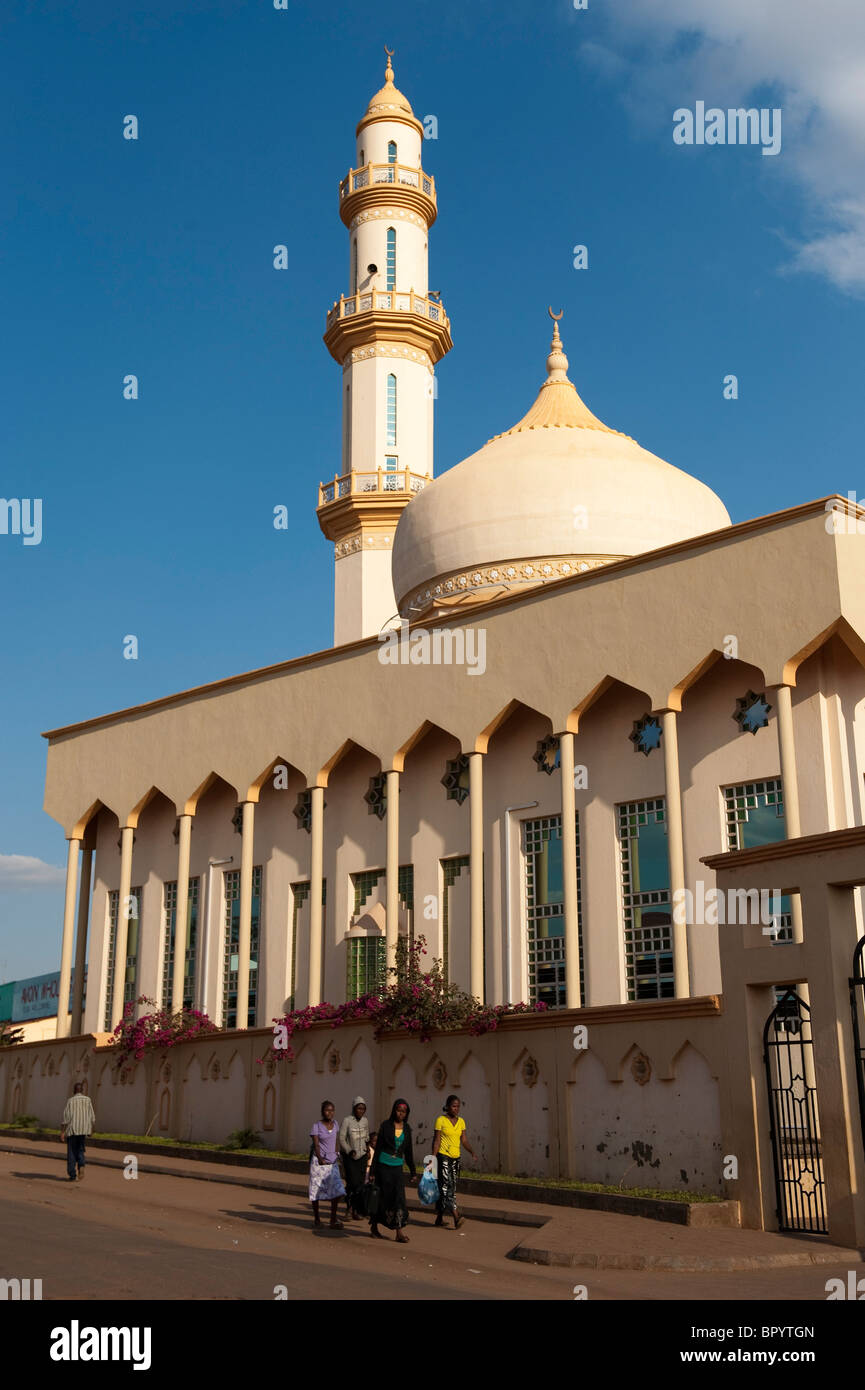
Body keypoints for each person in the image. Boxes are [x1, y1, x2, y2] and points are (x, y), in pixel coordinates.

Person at [369, 1098, 416, 1243]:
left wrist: (413, 1171)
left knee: (399, 1200)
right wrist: (372, 1171)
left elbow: (408, 1152)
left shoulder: (407, 1129)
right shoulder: (386, 1126)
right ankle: (374, 1227)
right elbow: (378, 1151)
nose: (400, 1114)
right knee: (382, 1198)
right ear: (394, 1111)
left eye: (403, 1111)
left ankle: (399, 1232)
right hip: (383, 1167)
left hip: (397, 1169)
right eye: (398, 1110)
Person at [432, 1094, 476, 1229]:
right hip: (443, 1156)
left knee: (449, 1187)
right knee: (447, 1187)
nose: (456, 1109)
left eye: (458, 1106)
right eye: (453, 1106)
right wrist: (433, 1158)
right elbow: (437, 1140)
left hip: (456, 1158)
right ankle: (456, 1216)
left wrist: (472, 1152)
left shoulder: (461, 1121)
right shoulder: (440, 1120)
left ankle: (439, 1217)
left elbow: (464, 1140)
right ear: (447, 1107)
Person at [309, 1100, 346, 1229]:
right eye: (327, 1110)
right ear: (322, 1112)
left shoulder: (335, 1124)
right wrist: (320, 1158)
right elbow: (316, 1144)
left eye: (332, 1110)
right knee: (316, 1191)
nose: (329, 1113)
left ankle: (332, 1219)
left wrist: (337, 1153)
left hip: (332, 1162)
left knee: (338, 1191)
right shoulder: (316, 1126)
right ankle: (317, 1219)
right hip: (319, 1163)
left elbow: (336, 1140)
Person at [339, 1096, 370, 1219]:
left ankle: (356, 1210)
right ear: (354, 1108)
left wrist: (367, 1149)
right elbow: (341, 1138)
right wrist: (348, 1150)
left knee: (360, 1185)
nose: (361, 1111)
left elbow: (367, 1136)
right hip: (351, 1158)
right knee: (352, 1184)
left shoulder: (365, 1121)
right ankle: (349, 1208)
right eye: (359, 1108)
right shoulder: (347, 1120)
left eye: (363, 1109)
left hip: (362, 1157)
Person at [60, 1081, 96, 1183]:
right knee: (80, 1149)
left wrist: (62, 1132)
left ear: (74, 1090)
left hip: (73, 1130)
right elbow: (92, 1117)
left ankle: (72, 1175)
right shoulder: (88, 1100)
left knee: (71, 1152)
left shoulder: (70, 1101)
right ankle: (81, 1166)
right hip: (84, 1130)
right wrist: (91, 1130)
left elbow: (66, 1118)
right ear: (82, 1090)